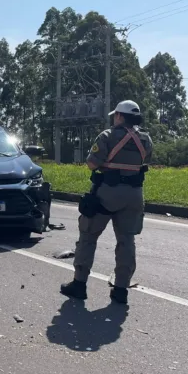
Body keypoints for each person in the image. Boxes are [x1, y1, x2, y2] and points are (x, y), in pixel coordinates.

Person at [60, 100, 153, 305]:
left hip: (107, 194)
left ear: (120, 116)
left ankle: (79, 285)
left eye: (115, 115)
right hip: (135, 195)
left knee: (88, 235)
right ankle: (121, 290)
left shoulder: (107, 136)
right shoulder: (145, 139)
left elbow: (92, 164)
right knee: (127, 241)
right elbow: (145, 160)